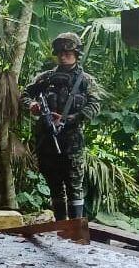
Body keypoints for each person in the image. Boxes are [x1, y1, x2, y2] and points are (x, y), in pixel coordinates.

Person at [21, 32, 100, 221]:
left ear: (76, 53)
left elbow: (94, 106)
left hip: (71, 140)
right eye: (60, 53)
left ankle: (75, 230)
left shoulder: (85, 81)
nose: (63, 56)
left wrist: (70, 119)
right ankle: (61, 227)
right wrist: (32, 105)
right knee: (54, 185)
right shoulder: (46, 78)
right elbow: (24, 94)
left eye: (68, 52)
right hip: (47, 139)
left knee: (74, 185)